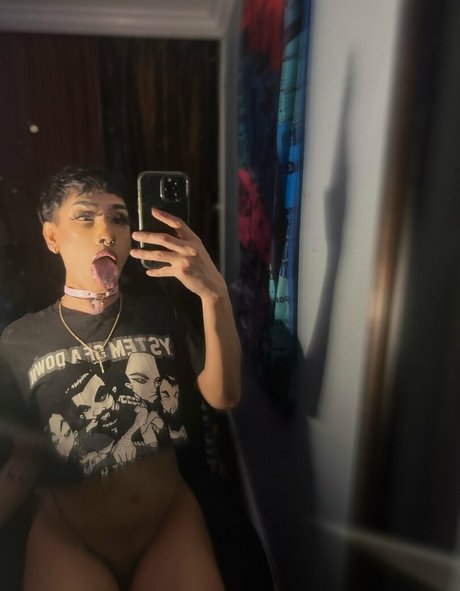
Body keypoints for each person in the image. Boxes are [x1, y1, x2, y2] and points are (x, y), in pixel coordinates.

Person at [0, 166, 242, 590]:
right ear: (52, 237)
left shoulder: (161, 314)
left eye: (119, 218)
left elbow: (224, 397)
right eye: (85, 217)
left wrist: (214, 294)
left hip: (168, 524)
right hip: (68, 538)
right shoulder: (19, 340)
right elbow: (25, 456)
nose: (107, 233)